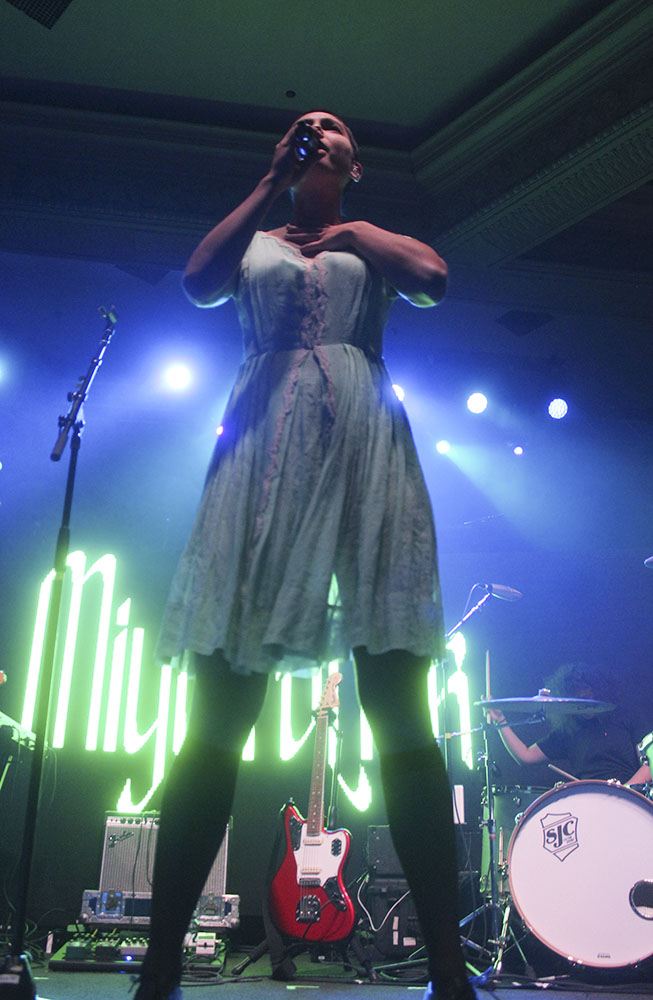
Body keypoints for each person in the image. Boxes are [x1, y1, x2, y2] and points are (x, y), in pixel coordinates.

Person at [134, 112, 474, 1000]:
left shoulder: (370, 238)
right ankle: (163, 958)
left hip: (365, 447)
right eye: (301, 126)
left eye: (330, 130)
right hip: (263, 453)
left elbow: (433, 278)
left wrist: (353, 230)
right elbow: (199, 281)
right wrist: (261, 187)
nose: (313, 131)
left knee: (398, 709)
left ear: (354, 163)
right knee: (218, 717)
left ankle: (446, 965)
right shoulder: (256, 237)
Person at [487, 663, 651, 785]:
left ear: (599, 691)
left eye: (588, 695)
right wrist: (500, 720)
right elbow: (525, 756)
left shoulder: (624, 717)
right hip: (589, 803)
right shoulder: (569, 732)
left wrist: (626, 791)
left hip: (632, 798)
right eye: (579, 698)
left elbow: (649, 764)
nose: (585, 700)